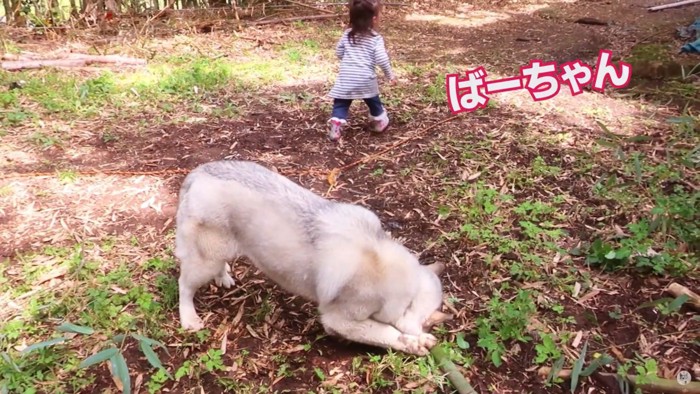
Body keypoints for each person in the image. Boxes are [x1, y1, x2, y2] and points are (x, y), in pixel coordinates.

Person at [326, 0, 396, 142]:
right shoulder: (375, 39)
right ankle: (379, 122)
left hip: (346, 78)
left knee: (341, 103)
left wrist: (347, 61)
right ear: (374, 19)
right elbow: (382, 59)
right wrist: (390, 75)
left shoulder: (347, 34)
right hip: (366, 79)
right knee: (373, 101)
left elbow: (339, 51)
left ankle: (336, 125)